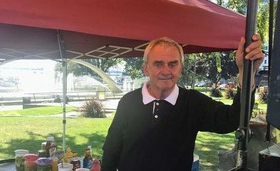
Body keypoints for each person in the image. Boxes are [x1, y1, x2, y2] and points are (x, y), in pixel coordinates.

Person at [101, 35, 264, 171]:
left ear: (180, 68)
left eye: (173, 64)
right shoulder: (129, 102)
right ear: (146, 68)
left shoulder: (192, 103)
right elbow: (111, 151)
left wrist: (245, 70)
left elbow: (232, 119)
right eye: (158, 64)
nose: (166, 71)